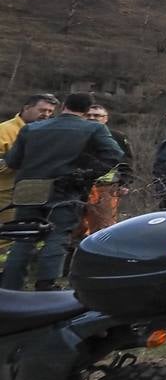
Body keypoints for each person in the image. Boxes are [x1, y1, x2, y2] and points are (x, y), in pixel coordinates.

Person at [2, 93, 123, 291]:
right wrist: (87, 173)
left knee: (24, 236)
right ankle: (46, 285)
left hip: (28, 188)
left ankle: (9, 287)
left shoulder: (31, 128)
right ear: (86, 111)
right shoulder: (94, 128)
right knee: (58, 235)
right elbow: (114, 154)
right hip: (65, 189)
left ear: (63, 105)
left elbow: (12, 161)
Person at [0, 93, 60, 257]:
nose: (46, 115)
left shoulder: (46, 132)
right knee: (8, 234)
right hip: (5, 193)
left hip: (34, 193)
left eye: (50, 112)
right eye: (42, 110)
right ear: (27, 107)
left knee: (24, 235)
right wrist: (21, 161)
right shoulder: (5, 130)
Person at [75, 103, 134, 238]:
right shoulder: (75, 134)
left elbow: (126, 161)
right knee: (75, 226)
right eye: (88, 115)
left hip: (105, 187)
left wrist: (125, 182)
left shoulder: (117, 136)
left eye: (97, 115)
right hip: (77, 186)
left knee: (103, 226)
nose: (92, 118)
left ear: (105, 118)